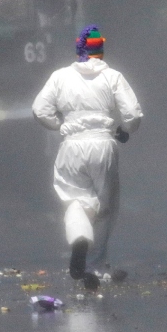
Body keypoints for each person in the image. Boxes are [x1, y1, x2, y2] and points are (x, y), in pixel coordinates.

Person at [32, 25, 143, 290]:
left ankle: (80, 238)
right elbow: (133, 115)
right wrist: (125, 131)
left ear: (79, 49)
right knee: (104, 207)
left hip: (71, 146)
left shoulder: (60, 77)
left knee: (74, 199)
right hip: (103, 144)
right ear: (101, 51)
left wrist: (59, 126)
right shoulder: (113, 76)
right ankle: (95, 264)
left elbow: (39, 109)